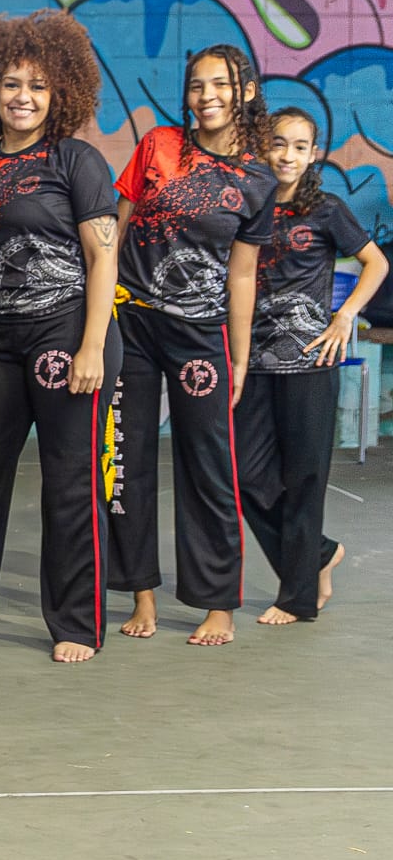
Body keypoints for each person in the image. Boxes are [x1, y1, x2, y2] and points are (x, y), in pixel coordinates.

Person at [0, 10, 120, 663]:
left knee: (70, 479)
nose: (23, 97)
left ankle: (76, 623)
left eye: (38, 86)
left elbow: (102, 257)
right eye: (11, 84)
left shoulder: (75, 159)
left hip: (68, 330)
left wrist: (91, 345)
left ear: (61, 94)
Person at [110, 44, 278, 647]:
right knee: (125, 460)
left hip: (200, 333)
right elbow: (115, 232)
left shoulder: (258, 179)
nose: (206, 97)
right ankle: (141, 593)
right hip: (130, 322)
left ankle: (217, 603)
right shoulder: (158, 145)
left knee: (208, 464)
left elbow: (242, 275)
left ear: (246, 91)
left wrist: (239, 356)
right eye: (197, 86)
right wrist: (96, 316)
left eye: (220, 85)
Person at [236, 108, 383, 623]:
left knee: (304, 480)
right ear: (264, 146)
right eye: (279, 143)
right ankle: (319, 553)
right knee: (245, 476)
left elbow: (376, 262)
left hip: (310, 363)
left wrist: (345, 316)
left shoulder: (325, 210)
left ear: (313, 154)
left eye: (300, 147)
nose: (288, 155)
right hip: (251, 362)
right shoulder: (246, 206)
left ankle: (296, 598)